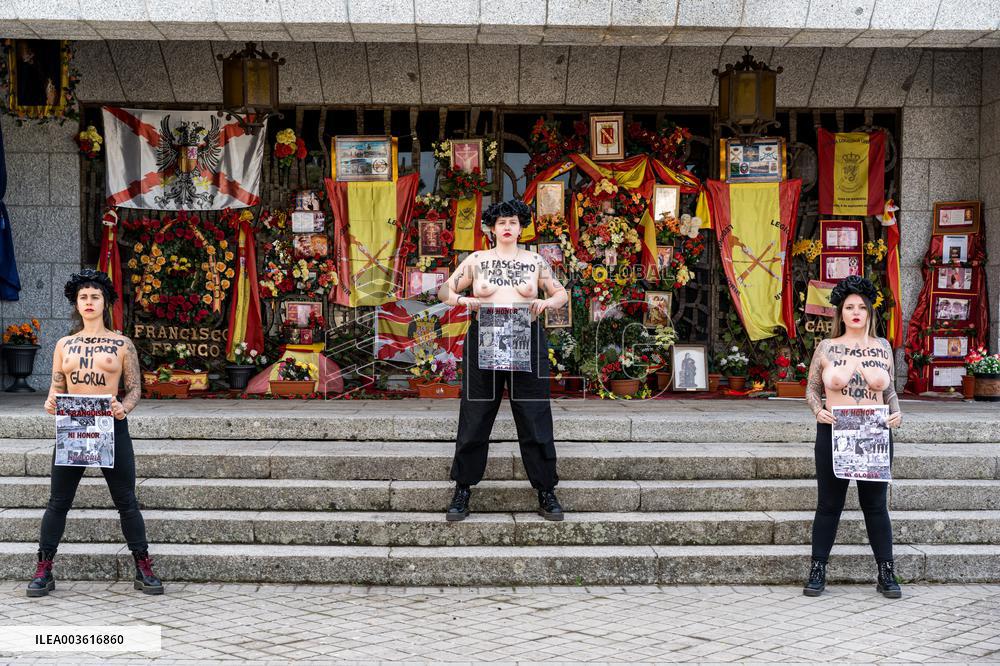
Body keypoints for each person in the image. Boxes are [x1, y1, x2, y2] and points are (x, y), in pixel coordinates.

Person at [29, 270, 163, 597]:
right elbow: (56, 388)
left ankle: (143, 565)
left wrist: (124, 407)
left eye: (95, 297)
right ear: (76, 303)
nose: (89, 302)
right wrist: (50, 402)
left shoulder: (122, 344)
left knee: (127, 501)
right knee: (58, 501)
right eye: (83, 297)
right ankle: (44, 567)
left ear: (105, 302)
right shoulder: (64, 344)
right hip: (74, 425)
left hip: (109, 425)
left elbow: (134, 389)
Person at [437, 199, 569, 522]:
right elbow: (444, 290)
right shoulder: (477, 260)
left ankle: (546, 491)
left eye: (513, 222)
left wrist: (546, 302)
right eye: (501, 223)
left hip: (526, 332)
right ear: (492, 229)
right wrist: (464, 299)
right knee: (476, 414)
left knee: (534, 414)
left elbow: (561, 293)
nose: (507, 227)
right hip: (486, 333)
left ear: (521, 227)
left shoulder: (534, 260)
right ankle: (463, 488)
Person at [804, 275, 902, 599]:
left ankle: (886, 572)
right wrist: (818, 411)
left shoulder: (883, 347)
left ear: (870, 312)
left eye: (861, 306)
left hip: (874, 431)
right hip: (835, 430)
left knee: (875, 505)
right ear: (840, 312)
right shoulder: (827, 347)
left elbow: (889, 390)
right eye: (849, 307)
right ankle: (818, 568)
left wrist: (896, 412)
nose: (856, 312)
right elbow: (812, 389)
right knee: (828, 504)